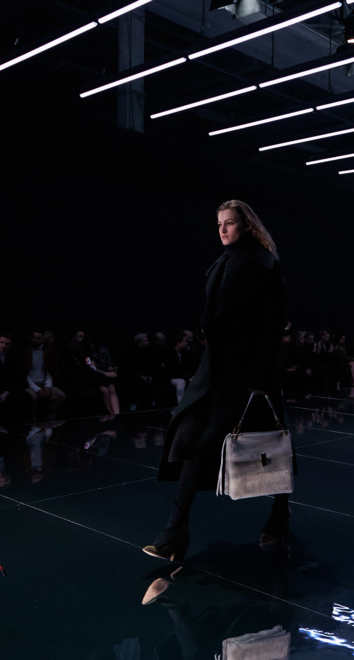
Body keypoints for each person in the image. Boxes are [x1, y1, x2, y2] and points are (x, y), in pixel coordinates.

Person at [145, 200, 289, 561]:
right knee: (194, 439)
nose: (223, 229)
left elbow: (271, 323)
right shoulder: (224, 263)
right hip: (216, 369)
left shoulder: (262, 263)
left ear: (246, 225)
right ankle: (174, 532)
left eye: (230, 223)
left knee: (270, 443)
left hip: (248, 371)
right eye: (220, 223)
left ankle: (279, 517)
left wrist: (261, 374)